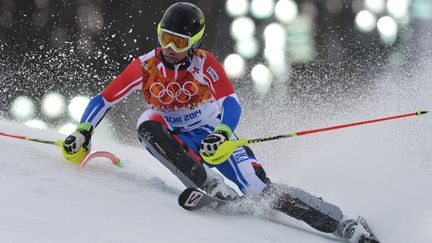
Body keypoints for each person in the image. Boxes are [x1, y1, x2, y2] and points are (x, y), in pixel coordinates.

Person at [62, 2, 378, 243]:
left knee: (258, 189)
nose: (170, 49)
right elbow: (104, 99)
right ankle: (208, 183)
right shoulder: (145, 66)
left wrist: (224, 133)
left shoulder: (205, 64)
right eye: (165, 38)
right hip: (175, 138)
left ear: (195, 43)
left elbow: (230, 101)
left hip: (213, 138)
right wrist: (83, 131)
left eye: (179, 42)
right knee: (147, 122)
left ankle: (345, 226)